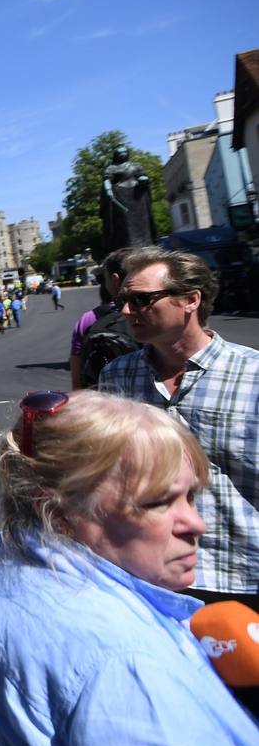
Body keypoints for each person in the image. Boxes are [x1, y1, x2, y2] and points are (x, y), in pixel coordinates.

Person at [0, 390, 259, 746]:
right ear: (61, 512)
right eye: (157, 503)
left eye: (191, 496)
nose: (196, 524)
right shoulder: (131, 667)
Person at [98, 247, 259, 605]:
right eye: (124, 300)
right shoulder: (118, 376)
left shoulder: (252, 374)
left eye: (141, 300)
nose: (126, 311)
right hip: (151, 575)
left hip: (243, 578)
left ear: (190, 300)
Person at [69, 247, 134, 390]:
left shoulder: (90, 319)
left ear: (115, 280)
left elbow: (77, 377)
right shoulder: (155, 311)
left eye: (105, 278)